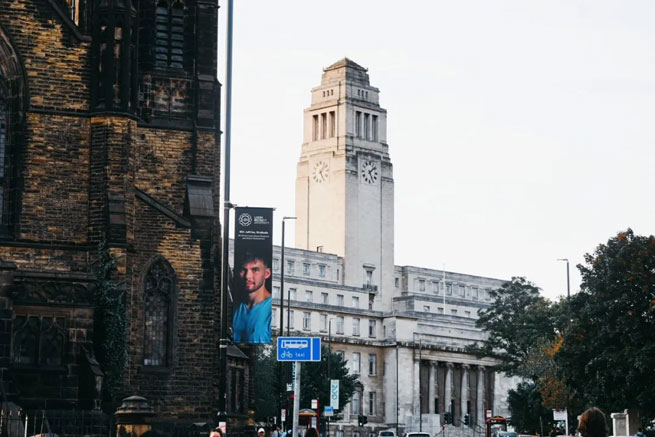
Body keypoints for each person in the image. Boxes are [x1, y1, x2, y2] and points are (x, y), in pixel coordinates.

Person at [232, 252, 273, 343]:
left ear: (267, 273)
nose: (248, 276)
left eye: (255, 270)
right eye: (243, 270)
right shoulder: (235, 307)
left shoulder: (271, 310)